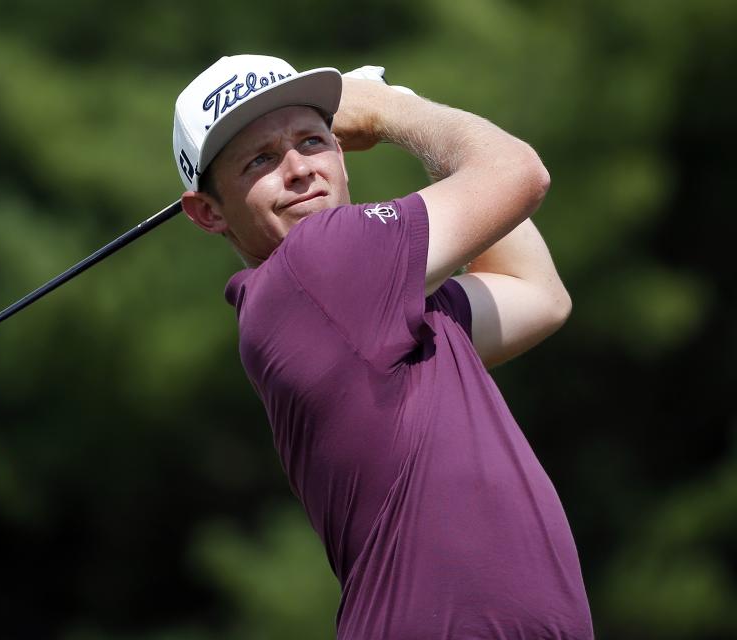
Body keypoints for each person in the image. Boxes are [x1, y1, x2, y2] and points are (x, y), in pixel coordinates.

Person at [173, 54, 593, 639]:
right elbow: (521, 173)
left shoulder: (361, 306)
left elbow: (537, 293)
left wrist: (418, 131)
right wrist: (393, 109)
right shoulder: (317, 263)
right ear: (207, 212)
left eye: (313, 141)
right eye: (261, 159)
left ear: (342, 156)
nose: (298, 168)